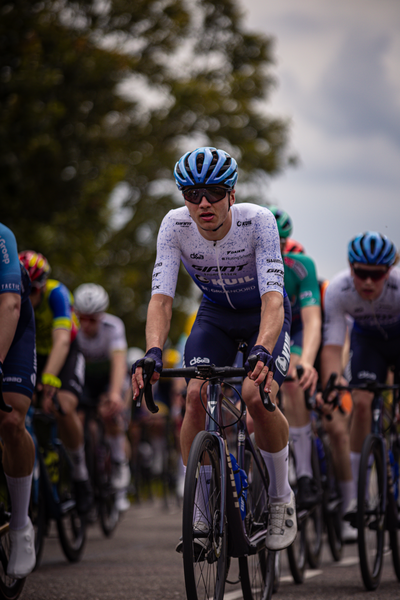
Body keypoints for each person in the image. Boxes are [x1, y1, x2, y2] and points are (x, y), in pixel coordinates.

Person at [132, 146, 297, 552]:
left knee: (256, 396)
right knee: (192, 396)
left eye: (213, 192)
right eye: (191, 194)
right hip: (215, 317)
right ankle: (202, 511)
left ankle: (280, 498)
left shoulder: (258, 222)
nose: (202, 203)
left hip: (262, 313)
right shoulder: (173, 226)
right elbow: (161, 300)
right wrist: (153, 351)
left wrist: (262, 348)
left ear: (231, 193)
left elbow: (274, 299)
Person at [320, 231, 399, 528]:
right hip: (369, 346)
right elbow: (332, 344)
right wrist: (333, 380)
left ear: (388, 271)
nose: (367, 282)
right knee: (362, 403)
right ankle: (357, 494)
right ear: (350, 268)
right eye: (361, 273)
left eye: (376, 275)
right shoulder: (339, 289)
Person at [18, 251, 92, 515]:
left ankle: (81, 475)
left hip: (66, 351)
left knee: (63, 404)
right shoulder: (14, 296)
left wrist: (49, 379)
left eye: (31, 292)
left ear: (39, 287)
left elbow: (62, 340)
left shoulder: (56, 293)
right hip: (34, 353)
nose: (26, 298)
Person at [269, 206, 321, 510]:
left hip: (296, 328)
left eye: (279, 243)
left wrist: (306, 362)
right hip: (264, 328)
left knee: (291, 381)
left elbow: (313, 321)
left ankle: (304, 473)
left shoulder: (300, 266)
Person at [73, 283, 131, 512]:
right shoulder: (71, 326)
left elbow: (118, 362)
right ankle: (82, 472)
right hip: (85, 377)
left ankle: (119, 463)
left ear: (101, 315)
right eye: (82, 318)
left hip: (109, 378)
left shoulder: (113, 326)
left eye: (92, 320)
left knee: (110, 412)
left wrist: (115, 395)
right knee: (75, 416)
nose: (86, 325)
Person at [0, 224, 36, 579]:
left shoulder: (2, 237)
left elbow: (9, 303)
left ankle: (21, 524)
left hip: (9, 322)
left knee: (10, 419)